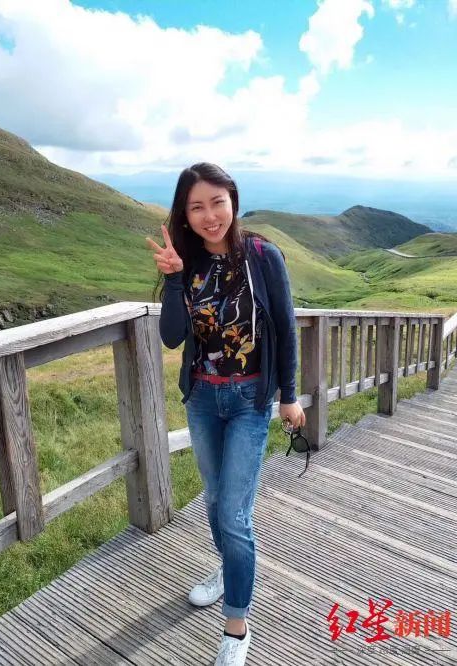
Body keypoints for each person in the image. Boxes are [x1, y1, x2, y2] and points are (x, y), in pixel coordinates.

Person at [146, 162, 305, 666]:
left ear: (233, 200)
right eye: (197, 207)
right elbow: (172, 336)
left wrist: (289, 394)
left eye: (217, 202)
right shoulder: (187, 262)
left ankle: (237, 628)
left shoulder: (262, 256)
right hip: (202, 399)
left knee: (234, 515)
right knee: (215, 501)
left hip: (249, 401)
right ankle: (227, 569)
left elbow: (285, 328)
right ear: (184, 214)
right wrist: (174, 279)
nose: (210, 215)